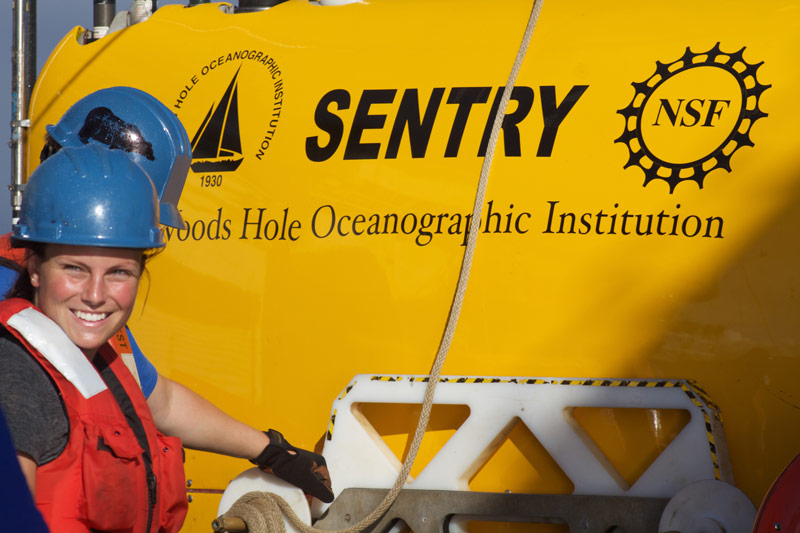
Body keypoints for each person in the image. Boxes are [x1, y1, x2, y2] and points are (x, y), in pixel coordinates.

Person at [0, 145, 332, 533]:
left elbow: (165, 403)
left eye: (119, 273)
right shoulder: (18, 376)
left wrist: (271, 450)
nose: (95, 293)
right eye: (74, 269)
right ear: (35, 270)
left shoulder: (97, 354)